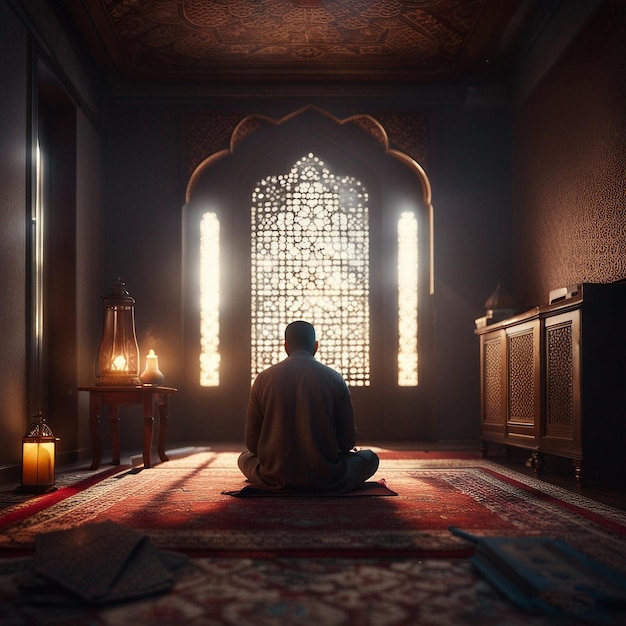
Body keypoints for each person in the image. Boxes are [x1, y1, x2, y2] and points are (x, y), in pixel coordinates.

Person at [238, 320, 379, 492]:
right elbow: (347, 442)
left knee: (244, 457)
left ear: (285, 346)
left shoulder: (263, 379)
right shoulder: (334, 378)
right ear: (316, 346)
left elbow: (252, 444)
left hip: (273, 476)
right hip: (327, 476)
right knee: (370, 457)